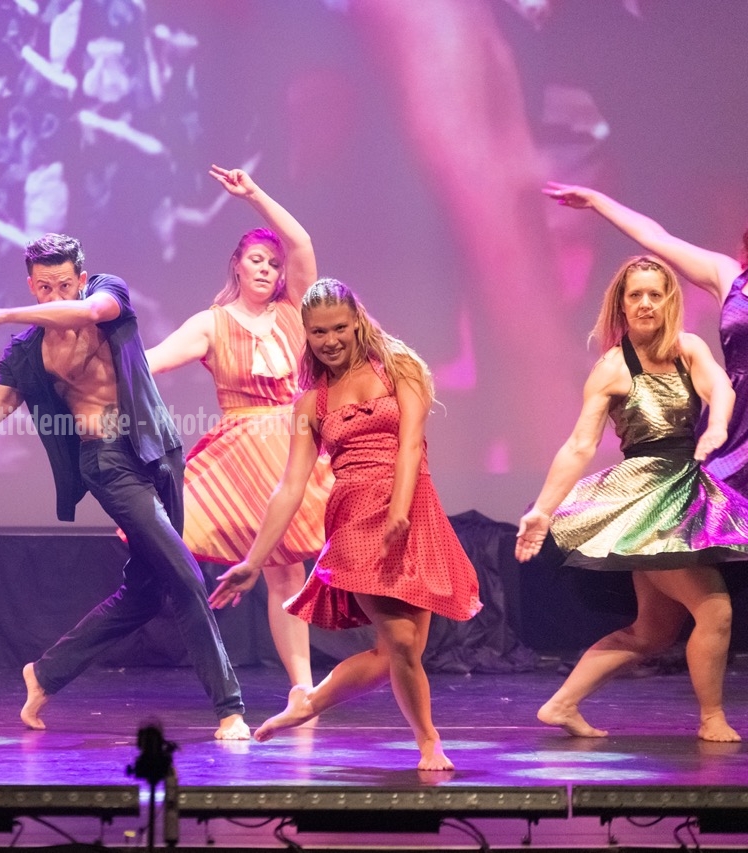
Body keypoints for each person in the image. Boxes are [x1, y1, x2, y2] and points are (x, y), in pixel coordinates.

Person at [0, 233, 249, 739]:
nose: (54, 295)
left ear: (82, 279)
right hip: (107, 463)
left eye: (64, 284)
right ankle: (230, 708)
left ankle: (46, 673)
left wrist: (1, 314)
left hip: (160, 449)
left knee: (145, 594)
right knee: (184, 575)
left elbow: (88, 312)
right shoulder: (27, 355)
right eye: (44, 287)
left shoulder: (108, 294)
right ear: (31, 285)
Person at [209, 279, 480, 771]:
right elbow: (290, 486)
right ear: (306, 334)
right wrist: (253, 561)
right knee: (401, 642)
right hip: (355, 519)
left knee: (394, 654)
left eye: (338, 328)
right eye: (318, 332)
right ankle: (429, 742)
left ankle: (308, 703)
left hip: (413, 509)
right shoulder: (310, 403)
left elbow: (410, 443)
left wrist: (400, 509)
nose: (330, 340)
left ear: (356, 322)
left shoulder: (401, 367)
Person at [515, 255, 748, 742]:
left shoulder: (688, 349)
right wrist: (542, 510)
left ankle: (561, 704)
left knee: (651, 632)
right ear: (621, 304)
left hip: (684, 490)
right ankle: (711, 718)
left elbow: (721, 388)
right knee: (715, 609)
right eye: (635, 295)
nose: (645, 304)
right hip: (646, 501)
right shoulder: (612, 369)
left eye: (654, 295)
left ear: (668, 301)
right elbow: (579, 446)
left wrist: (719, 424)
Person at [145, 165, 331, 690]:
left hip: (300, 448)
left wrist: (254, 194)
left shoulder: (296, 310)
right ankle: (303, 686)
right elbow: (151, 362)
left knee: (313, 566)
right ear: (237, 265)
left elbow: (301, 242)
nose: (267, 269)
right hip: (246, 463)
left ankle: (314, 683)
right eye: (256, 260)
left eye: (273, 263)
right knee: (283, 572)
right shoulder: (213, 323)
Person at [543, 183, 748, 494]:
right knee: (710, 506)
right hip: (735, 423)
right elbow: (655, 237)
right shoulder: (730, 277)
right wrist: (597, 201)